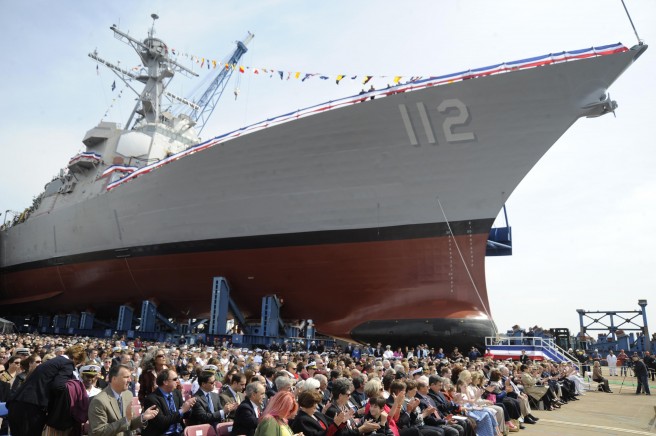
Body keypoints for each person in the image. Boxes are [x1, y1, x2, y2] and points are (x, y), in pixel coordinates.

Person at [7, 344, 86, 436]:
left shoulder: (54, 361)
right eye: (77, 363)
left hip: (16, 404)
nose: (75, 365)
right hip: (31, 408)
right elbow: (58, 386)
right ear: (75, 359)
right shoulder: (67, 363)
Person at [88, 363, 159, 435]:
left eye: (130, 377)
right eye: (126, 377)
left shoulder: (128, 394)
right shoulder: (99, 401)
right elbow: (99, 432)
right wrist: (126, 419)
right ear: (114, 379)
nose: (130, 380)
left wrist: (143, 417)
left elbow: (130, 424)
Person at [142, 369, 197, 436]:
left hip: (179, 432)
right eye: (175, 379)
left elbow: (184, 415)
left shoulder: (176, 393)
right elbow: (162, 422)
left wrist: (189, 407)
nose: (178, 381)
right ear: (165, 382)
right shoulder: (152, 399)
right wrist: (182, 410)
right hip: (163, 433)